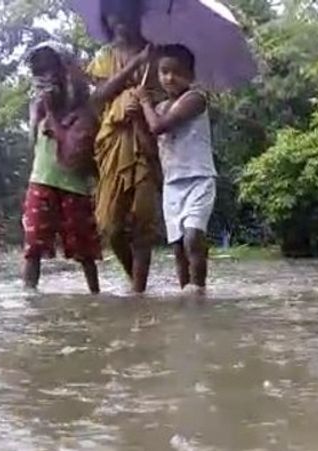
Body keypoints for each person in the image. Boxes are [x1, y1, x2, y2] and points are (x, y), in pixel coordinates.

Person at [86, 0, 163, 294]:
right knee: (110, 226)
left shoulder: (156, 53)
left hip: (145, 139)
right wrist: (134, 65)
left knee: (143, 222)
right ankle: (135, 280)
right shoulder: (105, 56)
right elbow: (99, 97)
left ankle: (139, 293)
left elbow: (163, 96)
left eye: (125, 14)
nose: (119, 21)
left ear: (136, 16)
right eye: (113, 16)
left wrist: (142, 101)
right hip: (112, 142)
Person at [22, 41, 101, 294]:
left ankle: (95, 295)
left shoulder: (83, 108)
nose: (47, 77)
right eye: (41, 71)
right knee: (33, 246)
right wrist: (36, 115)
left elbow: (78, 149)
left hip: (74, 185)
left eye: (52, 69)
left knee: (85, 249)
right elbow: (33, 142)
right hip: (42, 179)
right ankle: (29, 295)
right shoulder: (38, 104)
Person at [138, 44, 217, 295]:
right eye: (164, 72)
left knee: (193, 235)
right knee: (179, 246)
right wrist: (138, 118)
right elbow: (151, 145)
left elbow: (160, 127)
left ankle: (199, 289)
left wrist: (143, 103)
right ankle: (186, 293)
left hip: (199, 178)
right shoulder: (159, 108)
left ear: (191, 76)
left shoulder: (195, 99)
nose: (170, 78)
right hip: (172, 182)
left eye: (177, 72)